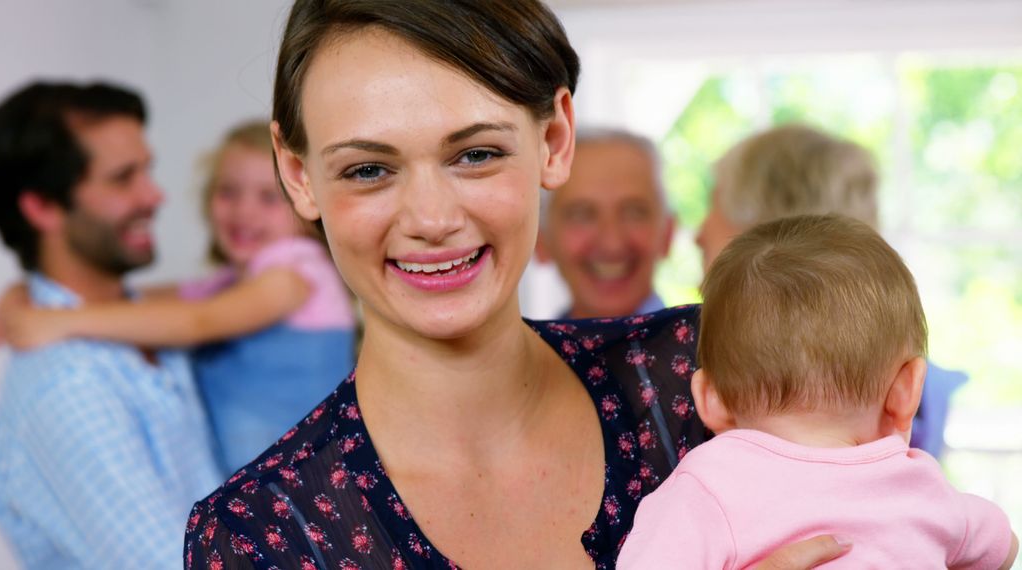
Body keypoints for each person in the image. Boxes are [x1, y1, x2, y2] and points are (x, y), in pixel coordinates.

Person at [182, 2, 849, 569]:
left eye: (476, 155)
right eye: (367, 171)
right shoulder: (261, 533)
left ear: (555, 139)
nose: (432, 220)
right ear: (297, 174)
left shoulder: (707, 372)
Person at [619, 214, 1019, 568]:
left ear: (710, 399)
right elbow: (1004, 544)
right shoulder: (919, 484)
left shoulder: (705, 486)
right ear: (907, 392)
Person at [0, 120, 357, 473]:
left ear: (307, 204)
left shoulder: (297, 272)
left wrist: (61, 322)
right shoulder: (229, 285)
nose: (244, 211)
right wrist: (28, 289)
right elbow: (131, 299)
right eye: (228, 191)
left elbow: (198, 321)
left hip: (312, 484)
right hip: (264, 490)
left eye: (268, 198)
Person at [0, 81, 222, 568]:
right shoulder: (69, 386)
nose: (154, 195)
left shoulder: (142, 325)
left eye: (146, 170)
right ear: (42, 206)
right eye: (122, 178)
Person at [696, 123, 966, 458]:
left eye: (713, 203)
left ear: (771, 233)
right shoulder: (913, 382)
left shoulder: (701, 373)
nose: (698, 232)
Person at [536, 127, 674, 319]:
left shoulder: (714, 349)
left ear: (668, 233)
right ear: (540, 240)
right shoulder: (518, 349)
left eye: (634, 213)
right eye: (581, 215)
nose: (612, 243)